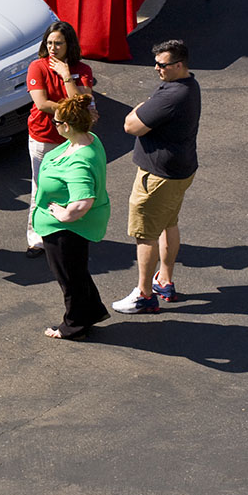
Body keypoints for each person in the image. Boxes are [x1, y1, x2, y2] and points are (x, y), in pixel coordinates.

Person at [113, 40, 201, 314]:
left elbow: (131, 126)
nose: (156, 69)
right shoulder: (189, 85)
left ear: (178, 65)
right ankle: (164, 280)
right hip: (180, 172)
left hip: (157, 178)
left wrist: (138, 108)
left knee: (145, 235)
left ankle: (144, 295)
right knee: (168, 224)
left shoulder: (171, 97)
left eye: (162, 65)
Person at [32, 94, 111, 340]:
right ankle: (92, 311)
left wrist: (64, 214)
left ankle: (74, 326)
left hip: (67, 231)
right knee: (77, 271)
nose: (54, 125)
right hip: (70, 228)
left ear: (67, 126)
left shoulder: (79, 162)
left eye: (56, 123)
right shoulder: (88, 139)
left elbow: (83, 201)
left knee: (69, 278)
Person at [25, 21, 96, 258]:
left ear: (69, 45)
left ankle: (66, 230)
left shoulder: (81, 70)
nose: (53, 48)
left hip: (72, 141)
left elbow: (84, 103)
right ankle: (36, 238)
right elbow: (42, 103)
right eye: (50, 43)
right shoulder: (37, 67)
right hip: (44, 138)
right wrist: (73, 112)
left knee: (71, 187)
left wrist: (67, 76)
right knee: (41, 188)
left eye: (59, 43)